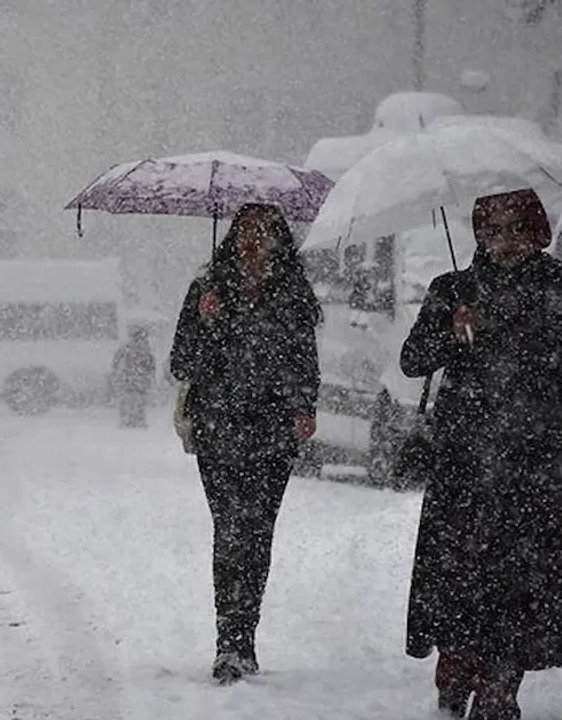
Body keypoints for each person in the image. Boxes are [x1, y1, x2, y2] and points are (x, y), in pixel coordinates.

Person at [400, 188, 562, 720]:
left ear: (537, 232)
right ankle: (454, 680)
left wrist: (550, 436)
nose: (505, 241)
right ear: (479, 235)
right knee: (459, 587)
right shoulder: (454, 290)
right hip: (464, 469)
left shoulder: (560, 297)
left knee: (518, 594)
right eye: (493, 230)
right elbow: (412, 360)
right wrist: (451, 329)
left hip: (533, 473)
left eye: (516, 229)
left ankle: (499, 693)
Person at [169, 202, 322, 684]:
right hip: (218, 429)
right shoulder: (207, 290)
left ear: (280, 241)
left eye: (265, 232)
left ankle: (245, 636)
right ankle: (228, 642)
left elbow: (304, 361)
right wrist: (206, 320)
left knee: (257, 534)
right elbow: (181, 362)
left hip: (272, 433)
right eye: (247, 232)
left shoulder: (292, 294)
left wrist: (303, 408)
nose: (254, 241)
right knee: (230, 529)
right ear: (233, 237)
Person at [112, 325, 156, 428]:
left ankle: (130, 420)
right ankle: (135, 420)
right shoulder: (143, 348)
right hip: (136, 379)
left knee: (131, 401)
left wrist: (117, 372)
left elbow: (117, 360)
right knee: (136, 401)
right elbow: (151, 365)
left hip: (132, 379)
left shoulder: (128, 347)